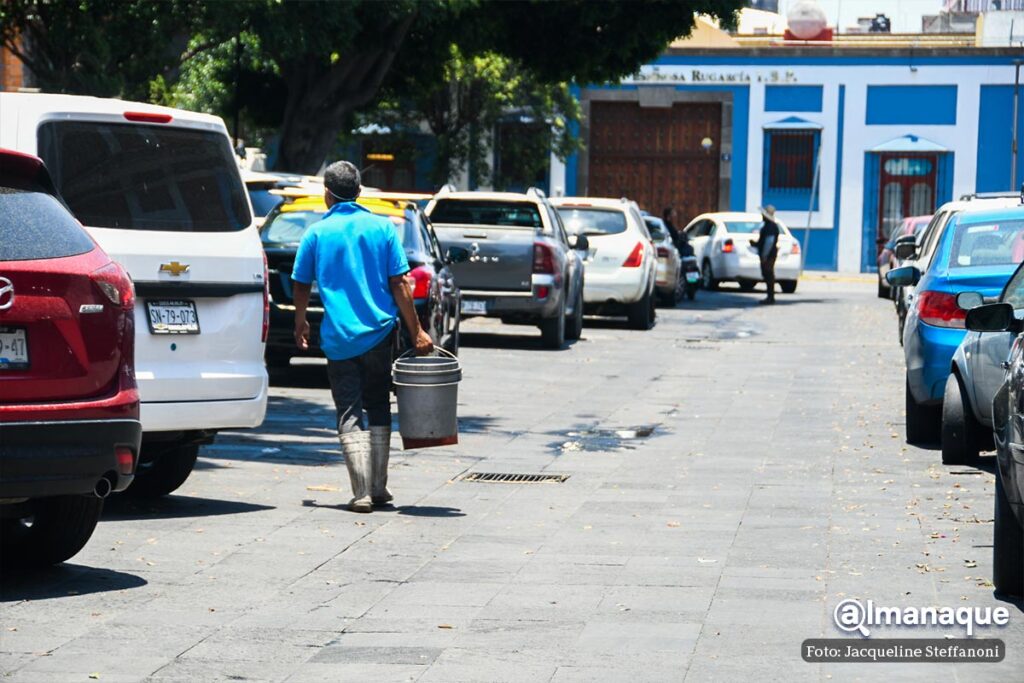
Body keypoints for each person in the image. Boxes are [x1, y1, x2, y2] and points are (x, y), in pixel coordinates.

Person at [291, 161, 433, 513]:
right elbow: (400, 283)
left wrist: (300, 322)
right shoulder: (382, 228)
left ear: (327, 193)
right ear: (359, 192)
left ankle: (361, 493)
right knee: (379, 404)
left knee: (349, 409)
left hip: (339, 338)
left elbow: (300, 282)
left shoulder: (316, 233)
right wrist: (417, 331)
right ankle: (379, 486)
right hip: (380, 334)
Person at [752, 205, 780, 305]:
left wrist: (764, 255)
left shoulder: (770, 226)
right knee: (767, 274)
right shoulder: (768, 226)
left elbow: (769, 242)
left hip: (769, 255)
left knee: (769, 275)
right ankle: (770, 296)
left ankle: (770, 297)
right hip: (768, 254)